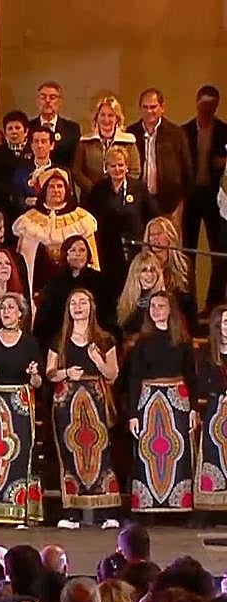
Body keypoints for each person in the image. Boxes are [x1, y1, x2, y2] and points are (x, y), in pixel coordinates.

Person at [47, 288, 121, 528]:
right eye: (74, 303)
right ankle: (72, 513)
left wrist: (98, 360)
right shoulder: (59, 339)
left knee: (102, 453)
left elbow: (112, 374)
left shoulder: (105, 339)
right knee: (71, 455)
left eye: (83, 302)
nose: (78, 307)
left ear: (92, 306)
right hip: (67, 403)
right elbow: (50, 373)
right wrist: (67, 373)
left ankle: (105, 511)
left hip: (97, 401)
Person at [0, 292, 44, 526]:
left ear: (20, 314)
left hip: (20, 404)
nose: (6, 312)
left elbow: (38, 383)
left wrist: (34, 375)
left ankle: (20, 512)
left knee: (19, 455)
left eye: (11, 308)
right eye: (3, 308)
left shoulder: (30, 342)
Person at [126, 291, 197, 515]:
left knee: (178, 453)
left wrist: (194, 408)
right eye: (153, 306)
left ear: (170, 310)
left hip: (177, 402)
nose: (156, 310)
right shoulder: (142, 342)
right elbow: (134, 378)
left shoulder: (183, 341)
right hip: (148, 402)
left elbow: (191, 376)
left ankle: (179, 506)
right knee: (148, 454)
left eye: (161, 306)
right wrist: (133, 413)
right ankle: (147, 508)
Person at [86, 145, 159, 318]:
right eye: (113, 165)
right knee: (110, 293)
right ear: (106, 167)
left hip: (134, 251)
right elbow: (90, 218)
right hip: (108, 251)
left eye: (120, 165)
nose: (117, 169)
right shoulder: (99, 189)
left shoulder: (139, 187)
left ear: (127, 166)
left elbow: (153, 215)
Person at [13, 168, 100, 300]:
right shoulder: (28, 221)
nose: (56, 190)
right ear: (44, 190)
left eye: (60, 186)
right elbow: (23, 259)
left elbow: (92, 259)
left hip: (74, 286)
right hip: (41, 284)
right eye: (51, 186)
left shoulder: (82, 219)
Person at [184, 86, 227, 309]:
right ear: (197, 103)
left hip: (216, 200)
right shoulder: (185, 131)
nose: (207, 109)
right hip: (190, 198)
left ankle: (214, 303)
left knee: (219, 253)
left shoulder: (224, 131)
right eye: (203, 104)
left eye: (211, 105)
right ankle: (188, 304)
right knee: (187, 253)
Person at [128, 88, 194, 220]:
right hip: (137, 202)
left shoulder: (176, 134)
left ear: (162, 108)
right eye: (145, 107)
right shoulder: (130, 134)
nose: (149, 111)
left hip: (167, 204)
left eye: (153, 107)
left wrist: (179, 204)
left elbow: (187, 171)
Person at [35, 235, 103, 351]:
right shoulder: (54, 282)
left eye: (82, 250)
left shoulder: (100, 281)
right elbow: (44, 320)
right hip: (60, 340)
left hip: (93, 339)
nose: (78, 254)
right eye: (72, 250)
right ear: (65, 254)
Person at [73, 94, 141, 197]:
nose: (106, 120)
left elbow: (135, 171)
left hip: (121, 198)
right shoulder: (84, 142)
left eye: (110, 115)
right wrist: (94, 189)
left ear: (117, 118)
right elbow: (77, 171)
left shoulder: (129, 142)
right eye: (102, 115)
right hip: (91, 197)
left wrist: (119, 189)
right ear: (97, 117)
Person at [197, 304, 227, 512]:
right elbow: (203, 383)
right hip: (215, 410)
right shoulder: (207, 353)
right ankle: (210, 507)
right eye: (226, 322)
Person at [30, 81, 81, 169]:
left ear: (60, 101)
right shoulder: (28, 127)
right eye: (43, 97)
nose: (47, 101)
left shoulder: (72, 129)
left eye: (52, 97)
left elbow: (76, 163)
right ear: (37, 101)